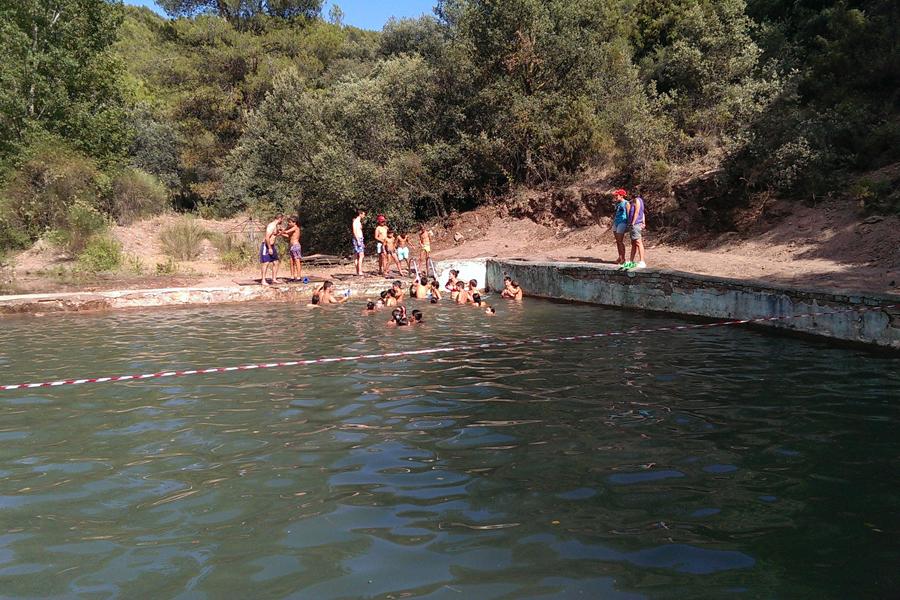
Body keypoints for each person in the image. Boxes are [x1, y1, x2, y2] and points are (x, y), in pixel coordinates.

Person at [260, 214, 284, 285]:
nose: (282, 221)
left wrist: (281, 231)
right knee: (266, 263)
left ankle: (274, 279)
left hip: (272, 245)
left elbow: (275, 235)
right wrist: (269, 248)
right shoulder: (271, 226)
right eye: (282, 219)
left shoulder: (276, 226)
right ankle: (263, 280)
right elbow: (267, 237)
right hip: (266, 245)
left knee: (276, 262)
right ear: (279, 219)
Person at [279, 216, 302, 281]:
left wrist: (281, 230)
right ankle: (292, 276)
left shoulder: (295, 227)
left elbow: (286, 232)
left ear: (294, 222)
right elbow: (288, 236)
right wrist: (280, 234)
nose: (288, 223)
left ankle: (298, 277)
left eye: (290, 222)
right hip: (291, 247)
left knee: (297, 261)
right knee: (291, 261)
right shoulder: (292, 228)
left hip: (296, 246)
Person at [626, 195, 647, 269]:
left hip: (635, 224)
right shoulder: (633, 202)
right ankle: (631, 261)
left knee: (638, 242)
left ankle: (642, 261)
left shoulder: (638, 200)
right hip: (634, 224)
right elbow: (642, 212)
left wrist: (633, 223)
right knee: (633, 243)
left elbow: (638, 212)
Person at [611, 189, 630, 265]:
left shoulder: (626, 203)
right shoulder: (618, 203)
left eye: (617, 195)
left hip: (622, 222)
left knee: (620, 241)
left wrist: (629, 224)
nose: (615, 197)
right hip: (616, 222)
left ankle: (623, 258)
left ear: (621, 196)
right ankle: (620, 257)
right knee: (617, 242)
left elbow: (628, 214)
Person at [352, 209, 366, 276]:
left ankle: (358, 271)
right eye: (363, 214)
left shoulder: (358, 222)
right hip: (358, 239)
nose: (364, 215)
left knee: (358, 255)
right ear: (360, 214)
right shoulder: (356, 222)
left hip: (360, 238)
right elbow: (354, 231)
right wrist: (358, 240)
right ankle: (359, 271)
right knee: (361, 255)